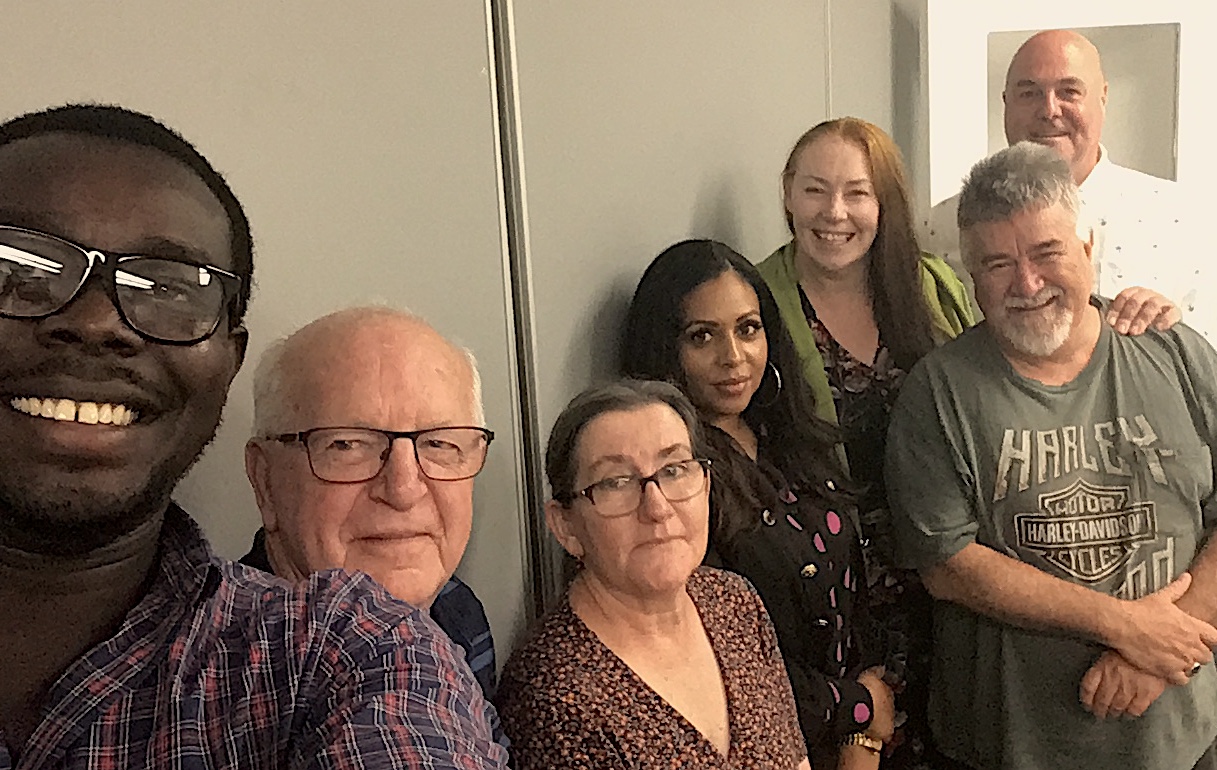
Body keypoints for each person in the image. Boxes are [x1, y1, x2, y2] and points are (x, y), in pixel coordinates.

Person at [0, 104, 507, 768]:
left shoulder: (386, 648)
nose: (99, 322)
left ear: (225, 363)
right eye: (347, 443)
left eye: (169, 288)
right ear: (263, 479)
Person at [886, 140, 1217, 770]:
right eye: (998, 264)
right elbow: (946, 563)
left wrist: (1165, 645)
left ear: (1089, 245)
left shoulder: (1174, 353)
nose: (1028, 283)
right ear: (970, 274)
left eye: (1047, 252)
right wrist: (1123, 626)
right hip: (1014, 746)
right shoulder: (938, 392)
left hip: (1182, 737)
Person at [621, 240, 892, 769]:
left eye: (748, 328)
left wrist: (864, 738)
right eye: (703, 336)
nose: (734, 357)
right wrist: (857, 710)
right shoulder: (670, 485)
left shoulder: (789, 435)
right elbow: (717, 658)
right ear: (663, 350)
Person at [758, 116, 973, 768]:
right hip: (835, 606)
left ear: (884, 203)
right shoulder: (756, 301)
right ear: (787, 195)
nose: (834, 212)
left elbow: (1014, 360)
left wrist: (1120, 313)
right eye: (814, 189)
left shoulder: (930, 286)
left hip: (946, 581)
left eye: (856, 192)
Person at [497, 380, 812, 769]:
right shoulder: (552, 694)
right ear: (566, 526)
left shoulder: (734, 602)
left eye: (675, 470)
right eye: (616, 482)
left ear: (706, 485)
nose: (657, 507)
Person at [241, 307, 502, 733]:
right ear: (265, 480)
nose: (403, 489)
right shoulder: (217, 691)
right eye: (347, 444)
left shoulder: (457, 612)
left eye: (439, 443)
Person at [919, 29, 1199, 337]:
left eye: (1069, 92)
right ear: (1006, 103)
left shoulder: (1184, 220)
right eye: (1029, 93)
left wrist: (1176, 330)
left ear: (1103, 98)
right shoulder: (942, 227)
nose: (1049, 110)